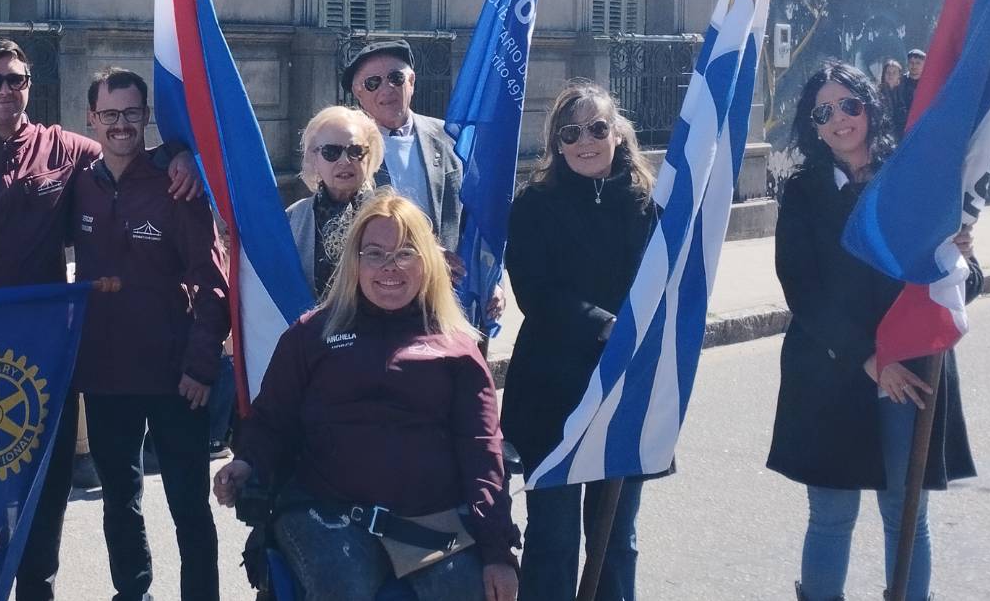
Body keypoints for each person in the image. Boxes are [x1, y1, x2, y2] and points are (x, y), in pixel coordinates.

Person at [0, 38, 199, 601]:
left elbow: (126, 148)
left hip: (48, 357)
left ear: (30, 86)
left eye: (16, 79)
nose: (6, 89)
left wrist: (180, 153)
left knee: (48, 487)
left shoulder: (64, 148)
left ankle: (39, 592)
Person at [214, 193, 519, 600]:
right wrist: (247, 462)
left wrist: (498, 552)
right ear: (354, 262)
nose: (389, 266)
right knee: (343, 588)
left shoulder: (458, 350)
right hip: (326, 513)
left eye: (405, 253)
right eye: (374, 253)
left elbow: (482, 452)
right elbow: (271, 420)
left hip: (430, 519)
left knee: (465, 590)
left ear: (427, 262)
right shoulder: (311, 335)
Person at [772, 61, 978, 601]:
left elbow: (962, 283)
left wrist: (960, 259)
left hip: (910, 370)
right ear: (813, 126)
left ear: (869, 106)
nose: (839, 119)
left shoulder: (912, 179)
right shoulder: (802, 191)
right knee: (831, 515)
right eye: (824, 112)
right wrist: (868, 358)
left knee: (905, 513)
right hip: (832, 368)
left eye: (849, 104)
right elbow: (802, 290)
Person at [68, 68, 229, 601]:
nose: (121, 124)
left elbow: (213, 282)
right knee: (120, 498)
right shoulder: (80, 185)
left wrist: (202, 366)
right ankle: (132, 592)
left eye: (132, 113)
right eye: (110, 114)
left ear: (145, 117)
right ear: (92, 118)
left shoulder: (176, 184)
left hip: (175, 377)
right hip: (106, 375)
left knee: (188, 505)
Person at [501, 81, 661, 601]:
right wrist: (604, 324)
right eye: (571, 133)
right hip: (552, 392)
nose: (585, 141)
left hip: (624, 389)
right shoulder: (534, 205)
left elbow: (663, 285)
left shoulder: (648, 204)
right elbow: (536, 292)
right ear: (557, 143)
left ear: (618, 133)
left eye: (596, 128)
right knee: (553, 539)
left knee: (615, 540)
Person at [343, 40, 462, 248]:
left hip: (443, 266)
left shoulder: (448, 136)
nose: (387, 88)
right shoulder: (345, 150)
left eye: (396, 78)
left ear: (411, 82)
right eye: (373, 83)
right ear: (358, 93)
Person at [284, 105, 383, 299]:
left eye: (355, 151)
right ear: (314, 158)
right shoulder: (294, 217)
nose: (345, 161)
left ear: (369, 156)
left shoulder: (391, 215)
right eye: (331, 152)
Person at [877, 59, 909, 135]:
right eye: (888, 72)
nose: (891, 75)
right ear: (884, 74)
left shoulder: (905, 92)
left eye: (894, 72)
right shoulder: (877, 93)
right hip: (885, 134)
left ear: (899, 75)